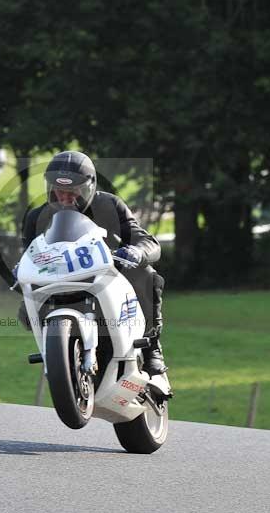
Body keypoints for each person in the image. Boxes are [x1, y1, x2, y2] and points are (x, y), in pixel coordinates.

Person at [18, 151, 168, 375]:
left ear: (89, 186)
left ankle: (152, 346)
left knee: (147, 275)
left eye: (73, 192)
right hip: (58, 282)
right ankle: (55, 353)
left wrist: (137, 251)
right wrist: (19, 269)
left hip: (108, 278)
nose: (65, 198)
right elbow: (29, 256)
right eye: (60, 192)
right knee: (24, 311)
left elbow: (148, 241)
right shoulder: (35, 218)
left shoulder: (110, 205)